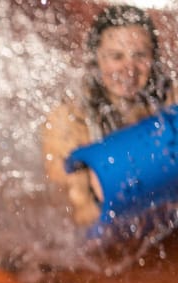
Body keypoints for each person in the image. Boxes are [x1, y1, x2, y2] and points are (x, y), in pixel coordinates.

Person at [41, 4, 178, 227]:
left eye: (140, 56)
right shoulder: (70, 121)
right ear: (96, 60)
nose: (129, 69)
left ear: (154, 59)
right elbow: (75, 213)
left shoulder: (169, 100)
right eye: (116, 56)